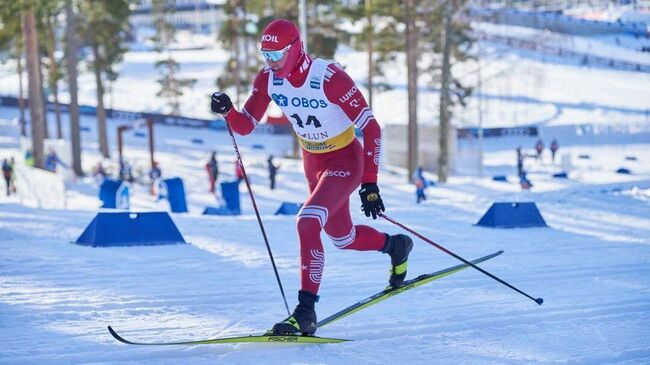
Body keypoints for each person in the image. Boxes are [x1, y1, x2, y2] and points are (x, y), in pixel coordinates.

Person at [210, 19, 413, 336]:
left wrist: (370, 183)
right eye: (266, 54)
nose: (271, 62)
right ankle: (396, 246)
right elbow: (246, 125)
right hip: (312, 160)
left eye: (277, 54)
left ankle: (305, 311)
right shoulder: (268, 78)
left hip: (345, 157)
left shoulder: (329, 77)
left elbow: (372, 127)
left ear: (295, 49)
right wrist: (228, 111)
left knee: (307, 221)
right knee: (342, 238)